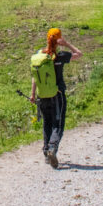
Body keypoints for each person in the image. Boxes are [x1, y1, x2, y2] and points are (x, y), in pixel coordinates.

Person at [29, 27, 82, 169]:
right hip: (57, 95)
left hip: (42, 95)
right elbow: (79, 54)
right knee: (57, 124)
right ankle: (52, 148)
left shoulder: (40, 56)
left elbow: (35, 77)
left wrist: (33, 94)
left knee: (47, 123)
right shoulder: (60, 56)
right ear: (59, 39)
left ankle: (46, 152)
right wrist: (67, 44)